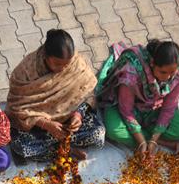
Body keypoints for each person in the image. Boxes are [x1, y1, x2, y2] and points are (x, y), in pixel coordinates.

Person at [6, 29, 105, 162]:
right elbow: (16, 108)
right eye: (57, 64)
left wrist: (78, 115)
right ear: (46, 56)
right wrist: (47, 124)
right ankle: (66, 151)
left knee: (98, 134)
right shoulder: (25, 71)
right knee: (22, 148)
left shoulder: (76, 63)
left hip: (68, 123)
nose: (63, 69)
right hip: (39, 126)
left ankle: (59, 146)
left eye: (66, 64)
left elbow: (87, 93)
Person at [95, 40, 179, 157]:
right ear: (152, 63)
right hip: (124, 105)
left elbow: (169, 108)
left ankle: (152, 140)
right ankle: (161, 142)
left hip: (153, 106)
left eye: (172, 72)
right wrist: (141, 142)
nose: (167, 77)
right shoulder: (131, 73)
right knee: (115, 132)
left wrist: (154, 138)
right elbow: (126, 110)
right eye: (163, 72)